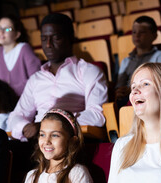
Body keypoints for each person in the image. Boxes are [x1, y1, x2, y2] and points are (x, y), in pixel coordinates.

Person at [7, 13, 108, 141]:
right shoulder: (35, 79)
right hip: (35, 142)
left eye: (56, 38)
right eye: (44, 39)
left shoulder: (89, 72)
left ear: (70, 38)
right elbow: (16, 116)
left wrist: (53, 125)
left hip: (70, 140)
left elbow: (96, 115)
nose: (48, 44)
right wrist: (24, 127)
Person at [115, 16, 161, 108]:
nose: (137, 35)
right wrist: (119, 91)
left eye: (142, 32)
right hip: (126, 99)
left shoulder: (159, 55)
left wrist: (131, 89)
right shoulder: (126, 61)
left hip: (149, 97)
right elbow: (120, 84)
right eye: (134, 32)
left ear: (154, 36)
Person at [0, 15, 41, 96]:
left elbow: (35, 79)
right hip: (4, 102)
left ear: (17, 34)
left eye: (7, 29)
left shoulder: (24, 49)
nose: (1, 32)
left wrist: (7, 92)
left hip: (25, 99)